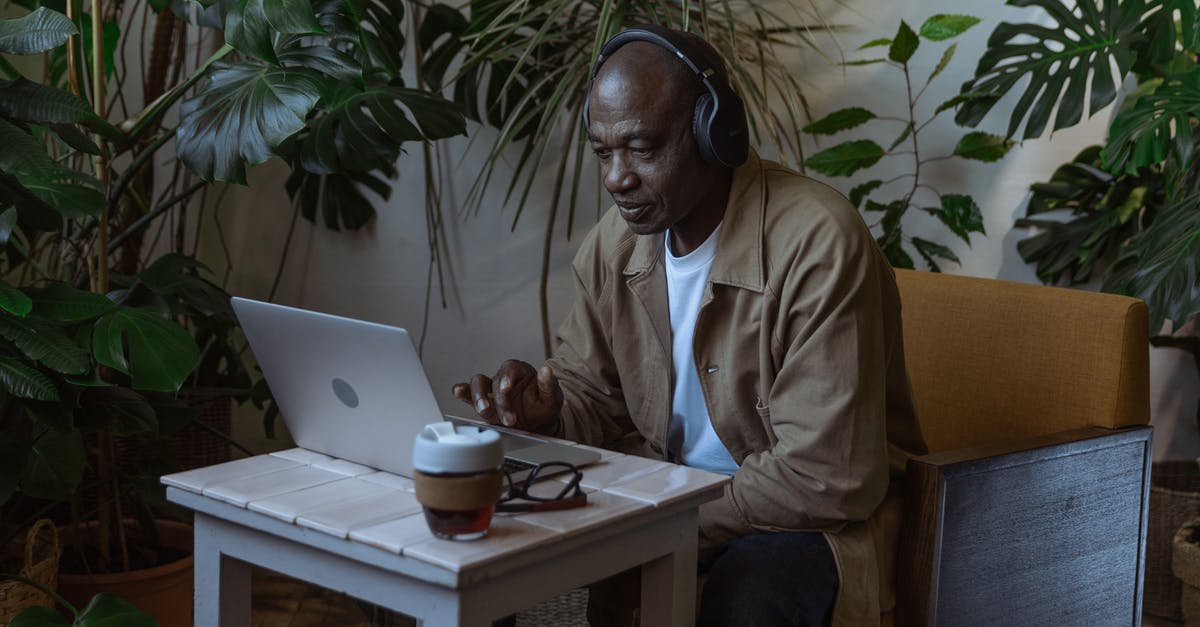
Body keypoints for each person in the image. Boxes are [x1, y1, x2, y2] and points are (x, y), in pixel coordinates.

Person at [453, 24, 926, 627]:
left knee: (750, 591)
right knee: (485, 545)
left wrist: (662, 526)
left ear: (714, 135)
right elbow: (594, 398)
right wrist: (550, 412)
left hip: (813, 523)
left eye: (642, 149)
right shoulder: (612, 248)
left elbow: (825, 476)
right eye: (603, 152)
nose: (616, 178)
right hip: (669, 502)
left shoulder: (817, 243)